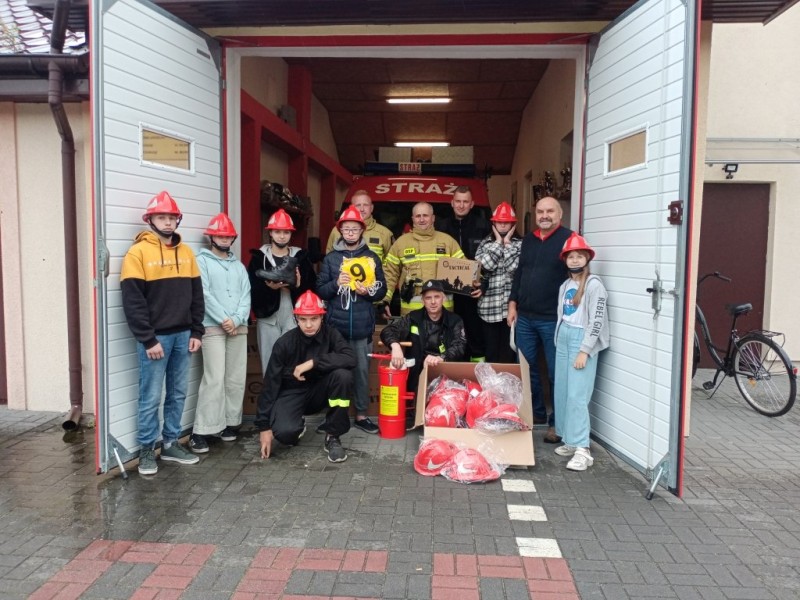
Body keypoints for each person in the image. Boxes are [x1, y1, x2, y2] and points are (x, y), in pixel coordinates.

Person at [120, 191, 204, 476]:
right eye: (161, 217)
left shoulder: (187, 252)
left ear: (177, 220)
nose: (167, 222)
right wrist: (148, 338)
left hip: (184, 336)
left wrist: (196, 331)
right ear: (150, 220)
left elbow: (197, 296)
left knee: (178, 393)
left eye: (171, 217)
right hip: (156, 339)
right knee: (151, 396)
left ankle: (170, 443)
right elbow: (133, 301)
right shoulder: (138, 253)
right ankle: (147, 449)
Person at [256, 290, 357, 463]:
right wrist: (264, 427)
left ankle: (333, 435)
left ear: (322, 317)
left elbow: (350, 358)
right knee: (285, 434)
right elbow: (270, 385)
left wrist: (313, 363)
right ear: (296, 318)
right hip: (292, 393)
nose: (308, 325)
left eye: (314, 319)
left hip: (320, 392)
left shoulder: (331, 334)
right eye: (303, 319)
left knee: (343, 376)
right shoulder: (284, 343)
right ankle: (297, 425)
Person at [507, 196, 572, 443]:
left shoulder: (569, 240)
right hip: (525, 318)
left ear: (560, 214)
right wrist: (512, 304)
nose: (544, 216)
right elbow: (520, 274)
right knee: (527, 370)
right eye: (540, 211)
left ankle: (557, 423)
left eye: (550, 211)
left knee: (556, 372)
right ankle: (536, 414)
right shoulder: (529, 240)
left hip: (554, 319)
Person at [317, 206, 387, 434]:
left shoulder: (372, 257)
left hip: (361, 327)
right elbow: (320, 290)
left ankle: (361, 416)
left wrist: (368, 292)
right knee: (334, 373)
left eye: (354, 229)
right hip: (335, 328)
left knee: (361, 373)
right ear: (340, 231)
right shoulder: (331, 259)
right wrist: (336, 283)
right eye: (346, 229)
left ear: (361, 231)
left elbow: (382, 289)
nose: (350, 232)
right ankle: (333, 417)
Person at [190, 213, 251, 454]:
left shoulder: (239, 266)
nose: (224, 239)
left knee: (235, 377)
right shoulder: (201, 261)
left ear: (233, 238)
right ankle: (202, 430)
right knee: (214, 378)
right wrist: (224, 319)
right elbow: (203, 293)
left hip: (238, 327)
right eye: (219, 236)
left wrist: (236, 319)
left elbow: (246, 295)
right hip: (212, 326)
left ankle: (230, 423)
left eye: (228, 236)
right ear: (211, 237)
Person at [553, 233, 609, 471]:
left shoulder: (594, 285)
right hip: (564, 337)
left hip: (581, 339)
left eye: (579, 256)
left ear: (587, 258)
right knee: (563, 391)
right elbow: (562, 315)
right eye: (570, 256)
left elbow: (597, 320)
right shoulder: (565, 286)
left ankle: (583, 449)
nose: (574, 260)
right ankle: (570, 438)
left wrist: (585, 350)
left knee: (577, 395)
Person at [380, 279, 467, 427]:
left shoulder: (454, 320)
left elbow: (460, 345)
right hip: (418, 373)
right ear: (423, 300)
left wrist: (442, 357)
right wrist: (395, 346)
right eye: (428, 298)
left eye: (436, 297)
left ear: (443, 298)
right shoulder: (413, 318)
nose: (433, 302)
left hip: (444, 371)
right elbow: (388, 330)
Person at [248, 208, 316, 376]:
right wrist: (269, 289)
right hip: (268, 316)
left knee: (294, 363)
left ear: (291, 234)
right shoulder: (259, 258)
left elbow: (313, 289)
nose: (282, 236)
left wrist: (298, 285)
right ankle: (271, 393)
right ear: (270, 233)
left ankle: (291, 393)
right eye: (277, 231)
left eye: (286, 232)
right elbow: (251, 292)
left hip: (293, 315)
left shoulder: (301, 257)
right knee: (269, 363)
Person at [383, 202, 464, 318]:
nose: (421, 219)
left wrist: (477, 282)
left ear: (433, 218)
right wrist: (385, 300)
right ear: (413, 219)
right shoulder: (401, 243)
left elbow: (464, 269)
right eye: (418, 216)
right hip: (411, 313)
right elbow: (389, 274)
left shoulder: (448, 241)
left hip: (443, 313)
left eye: (425, 215)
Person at [437, 186, 490, 361]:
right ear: (452, 203)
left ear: (472, 204)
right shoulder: (440, 227)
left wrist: (484, 284)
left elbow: (494, 260)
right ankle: (453, 368)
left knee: (476, 336)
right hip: (447, 293)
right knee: (450, 335)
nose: (461, 205)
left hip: (474, 294)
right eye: (458, 201)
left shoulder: (484, 226)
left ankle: (477, 370)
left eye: (465, 202)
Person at [474, 201, 523, 363]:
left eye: (506, 222)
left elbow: (513, 268)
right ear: (493, 223)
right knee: (491, 353)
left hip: (512, 309)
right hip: (489, 309)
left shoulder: (521, 244)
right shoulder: (485, 243)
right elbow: (484, 266)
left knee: (509, 354)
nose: (502, 225)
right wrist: (497, 243)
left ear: (513, 224)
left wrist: (507, 243)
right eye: (499, 222)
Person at [325, 190, 394, 262]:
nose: (362, 209)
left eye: (365, 205)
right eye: (358, 205)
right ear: (351, 208)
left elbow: (390, 265)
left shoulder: (385, 233)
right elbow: (329, 259)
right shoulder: (337, 231)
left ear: (371, 208)